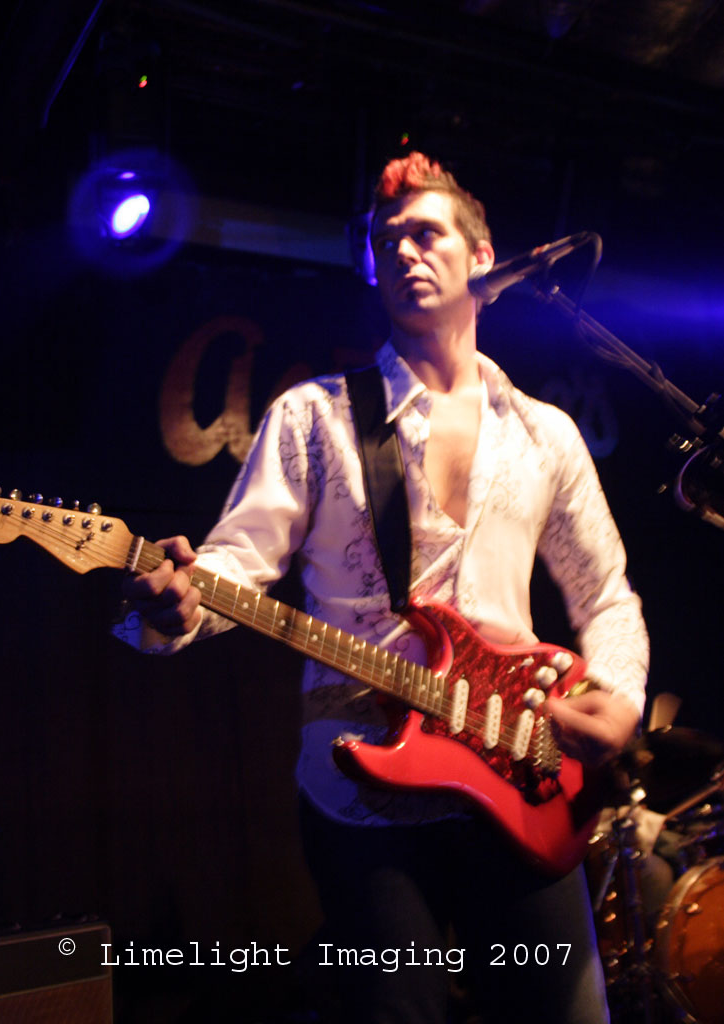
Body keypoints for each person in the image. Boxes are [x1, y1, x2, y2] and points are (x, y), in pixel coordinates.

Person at [113, 152, 649, 1023]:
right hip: (363, 788)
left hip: (519, 771)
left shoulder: (544, 434)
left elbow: (606, 594)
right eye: (385, 239)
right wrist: (177, 606)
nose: (402, 251)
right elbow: (234, 565)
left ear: (482, 259)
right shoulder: (313, 415)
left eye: (426, 234)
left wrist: (619, 700)